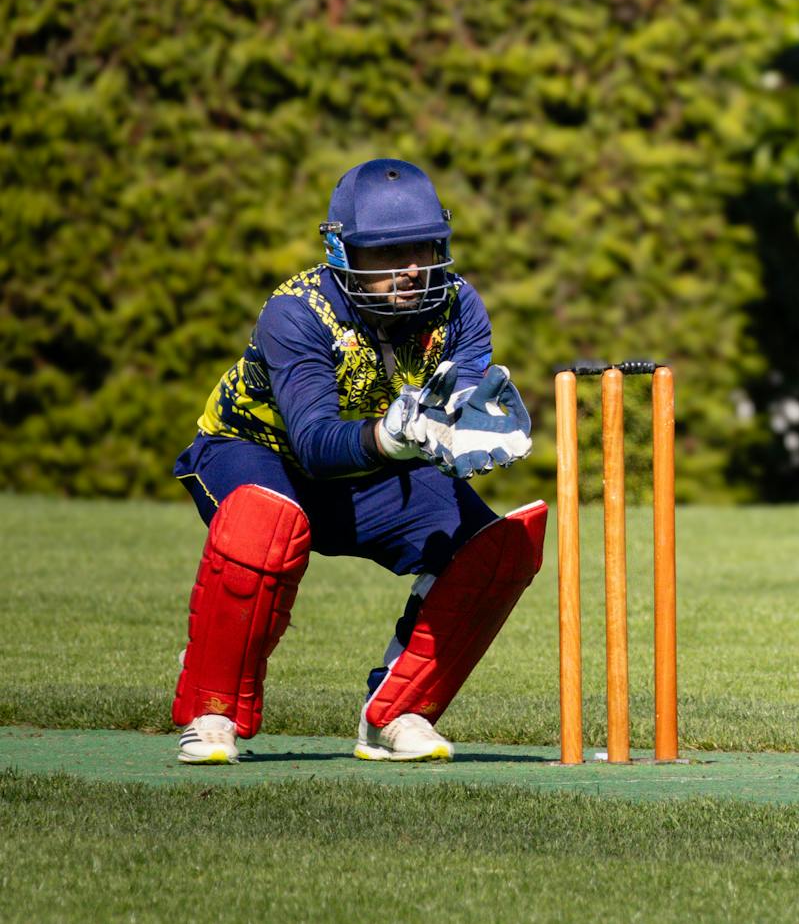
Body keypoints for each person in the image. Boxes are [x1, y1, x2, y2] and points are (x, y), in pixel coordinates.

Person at [168, 157, 540, 764]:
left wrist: (471, 427)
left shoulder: (460, 308)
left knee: (495, 550)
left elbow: (458, 403)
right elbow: (314, 443)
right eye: (388, 255)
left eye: (422, 248)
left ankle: (397, 713)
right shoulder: (296, 313)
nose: (411, 270)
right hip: (256, 452)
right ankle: (213, 714)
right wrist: (394, 438)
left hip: (372, 472)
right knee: (264, 527)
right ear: (343, 254)